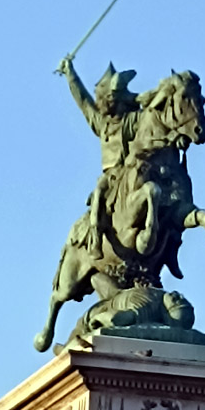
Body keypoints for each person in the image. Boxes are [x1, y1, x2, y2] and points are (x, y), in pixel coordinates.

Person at [58, 57, 141, 259]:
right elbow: (83, 102)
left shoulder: (131, 120)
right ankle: (95, 235)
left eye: (104, 98)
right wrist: (71, 75)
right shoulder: (102, 123)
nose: (99, 103)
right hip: (110, 176)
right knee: (99, 193)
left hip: (128, 172)